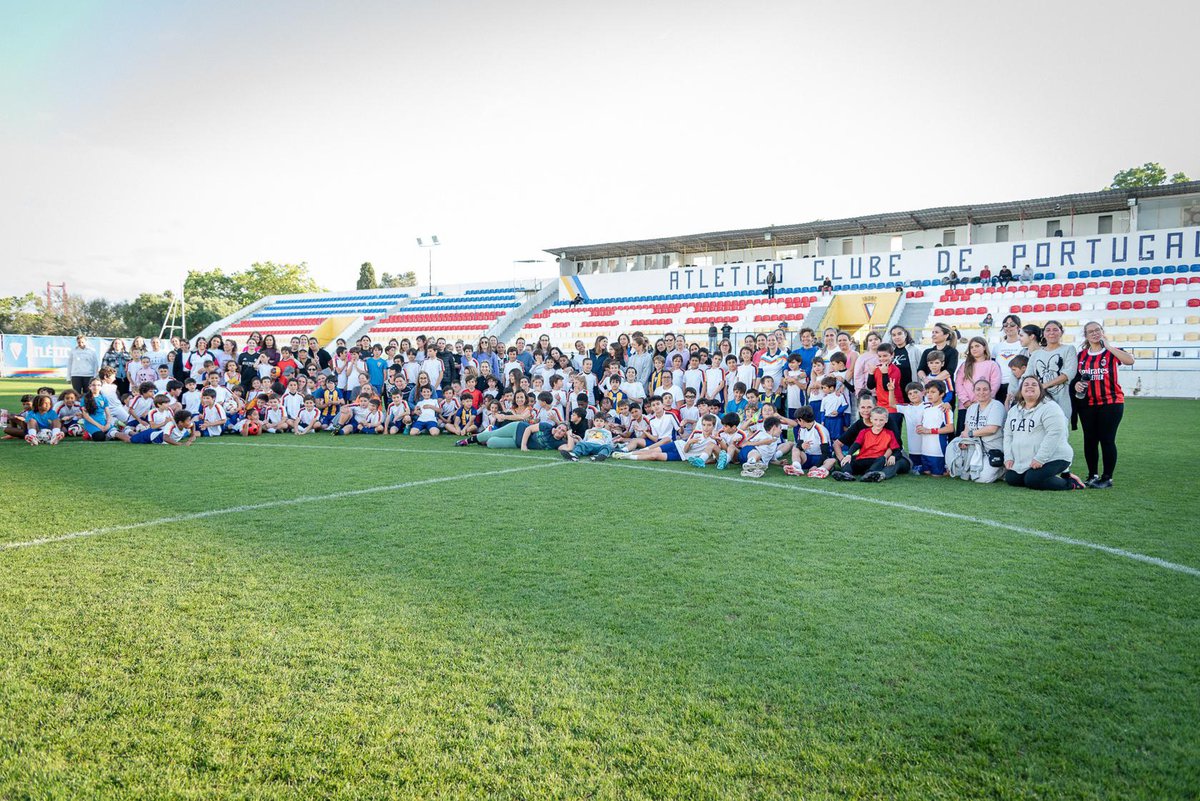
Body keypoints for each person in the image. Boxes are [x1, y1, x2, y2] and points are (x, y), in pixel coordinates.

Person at [1074, 321, 1134, 489]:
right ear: (1085, 336)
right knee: (1090, 440)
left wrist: (1108, 346)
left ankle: (1107, 478)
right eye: (1090, 331)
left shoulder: (1112, 352)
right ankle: (1092, 474)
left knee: (1107, 440)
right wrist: (1077, 385)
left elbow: (1130, 361)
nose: (1094, 333)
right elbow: (1076, 378)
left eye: (1097, 330)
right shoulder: (1081, 356)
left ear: (1102, 332)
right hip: (1087, 404)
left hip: (1111, 402)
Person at [1003, 375, 1085, 490]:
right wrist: (1008, 457)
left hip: (1055, 456)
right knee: (1012, 478)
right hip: (1027, 458)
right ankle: (1054, 475)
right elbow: (1008, 435)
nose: (1030, 387)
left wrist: (1040, 458)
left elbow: (1055, 434)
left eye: (1034, 385)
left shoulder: (1050, 407)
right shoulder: (1014, 410)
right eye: (1026, 385)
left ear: (1041, 389)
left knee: (1033, 480)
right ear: (1021, 391)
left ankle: (1070, 482)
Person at [945, 379, 1006, 483]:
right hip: (974, 447)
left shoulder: (997, 406)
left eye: (985, 389)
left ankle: (1001, 469)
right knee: (960, 468)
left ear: (991, 391)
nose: (981, 392)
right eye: (978, 389)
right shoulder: (972, 408)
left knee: (982, 479)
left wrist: (970, 434)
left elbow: (992, 429)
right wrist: (964, 441)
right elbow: (966, 429)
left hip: (992, 449)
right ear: (973, 391)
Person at [830, 407, 904, 482]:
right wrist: (849, 455)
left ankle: (870, 474)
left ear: (886, 420)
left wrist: (893, 456)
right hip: (862, 459)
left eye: (881, 420)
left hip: (876, 461)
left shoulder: (889, 434)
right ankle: (846, 474)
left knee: (882, 459)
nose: (878, 423)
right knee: (846, 460)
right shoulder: (864, 432)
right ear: (871, 419)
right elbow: (856, 445)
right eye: (875, 420)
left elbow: (897, 450)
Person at [1029, 320, 1077, 420]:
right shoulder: (1035, 354)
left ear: (1061, 332)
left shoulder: (1069, 349)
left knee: (1060, 430)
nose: (1052, 333)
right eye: (1048, 330)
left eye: (1055, 330)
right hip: (1039, 400)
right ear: (1044, 333)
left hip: (1061, 399)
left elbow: (1069, 373)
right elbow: (1028, 375)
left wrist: (1045, 385)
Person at [952, 337, 1001, 435]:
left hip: (985, 406)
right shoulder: (965, 365)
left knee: (980, 434)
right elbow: (958, 384)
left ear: (984, 347)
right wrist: (965, 401)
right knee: (963, 436)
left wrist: (983, 400)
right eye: (971, 347)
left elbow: (995, 384)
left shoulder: (992, 365)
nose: (974, 349)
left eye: (977, 346)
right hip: (965, 406)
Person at [991, 314, 1023, 404]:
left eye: (1012, 325)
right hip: (999, 385)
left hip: (1017, 384)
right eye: (1005, 325)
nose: (1008, 327)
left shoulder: (1023, 345)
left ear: (1018, 327)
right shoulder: (997, 347)